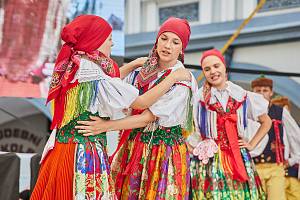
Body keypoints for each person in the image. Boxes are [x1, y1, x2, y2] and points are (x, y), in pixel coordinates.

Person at [30, 15, 190, 200]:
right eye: (109, 39)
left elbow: (108, 82)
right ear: (95, 41)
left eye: (175, 41)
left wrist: (131, 65)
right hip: (83, 151)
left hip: (63, 148)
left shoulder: (76, 64)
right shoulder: (92, 71)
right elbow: (140, 103)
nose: (112, 44)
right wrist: (173, 77)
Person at [77, 17, 197, 199]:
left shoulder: (182, 78)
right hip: (134, 145)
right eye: (164, 38)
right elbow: (111, 81)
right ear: (157, 41)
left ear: (182, 49)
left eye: (175, 42)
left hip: (163, 152)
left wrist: (105, 126)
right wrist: (133, 63)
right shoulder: (142, 71)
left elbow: (148, 116)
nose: (168, 46)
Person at [187, 49, 271, 199]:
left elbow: (266, 122)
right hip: (211, 160)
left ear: (224, 66)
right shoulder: (198, 98)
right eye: (207, 69)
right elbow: (187, 129)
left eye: (216, 66)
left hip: (237, 155)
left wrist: (251, 144)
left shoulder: (241, 95)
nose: (213, 71)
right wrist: (194, 148)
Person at [247, 77, 300, 200]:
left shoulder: (280, 112)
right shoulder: (247, 112)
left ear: (271, 92)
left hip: (275, 167)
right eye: (257, 90)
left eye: (265, 90)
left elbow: (295, 135)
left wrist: (293, 159)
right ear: (252, 92)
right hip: (253, 167)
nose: (261, 93)